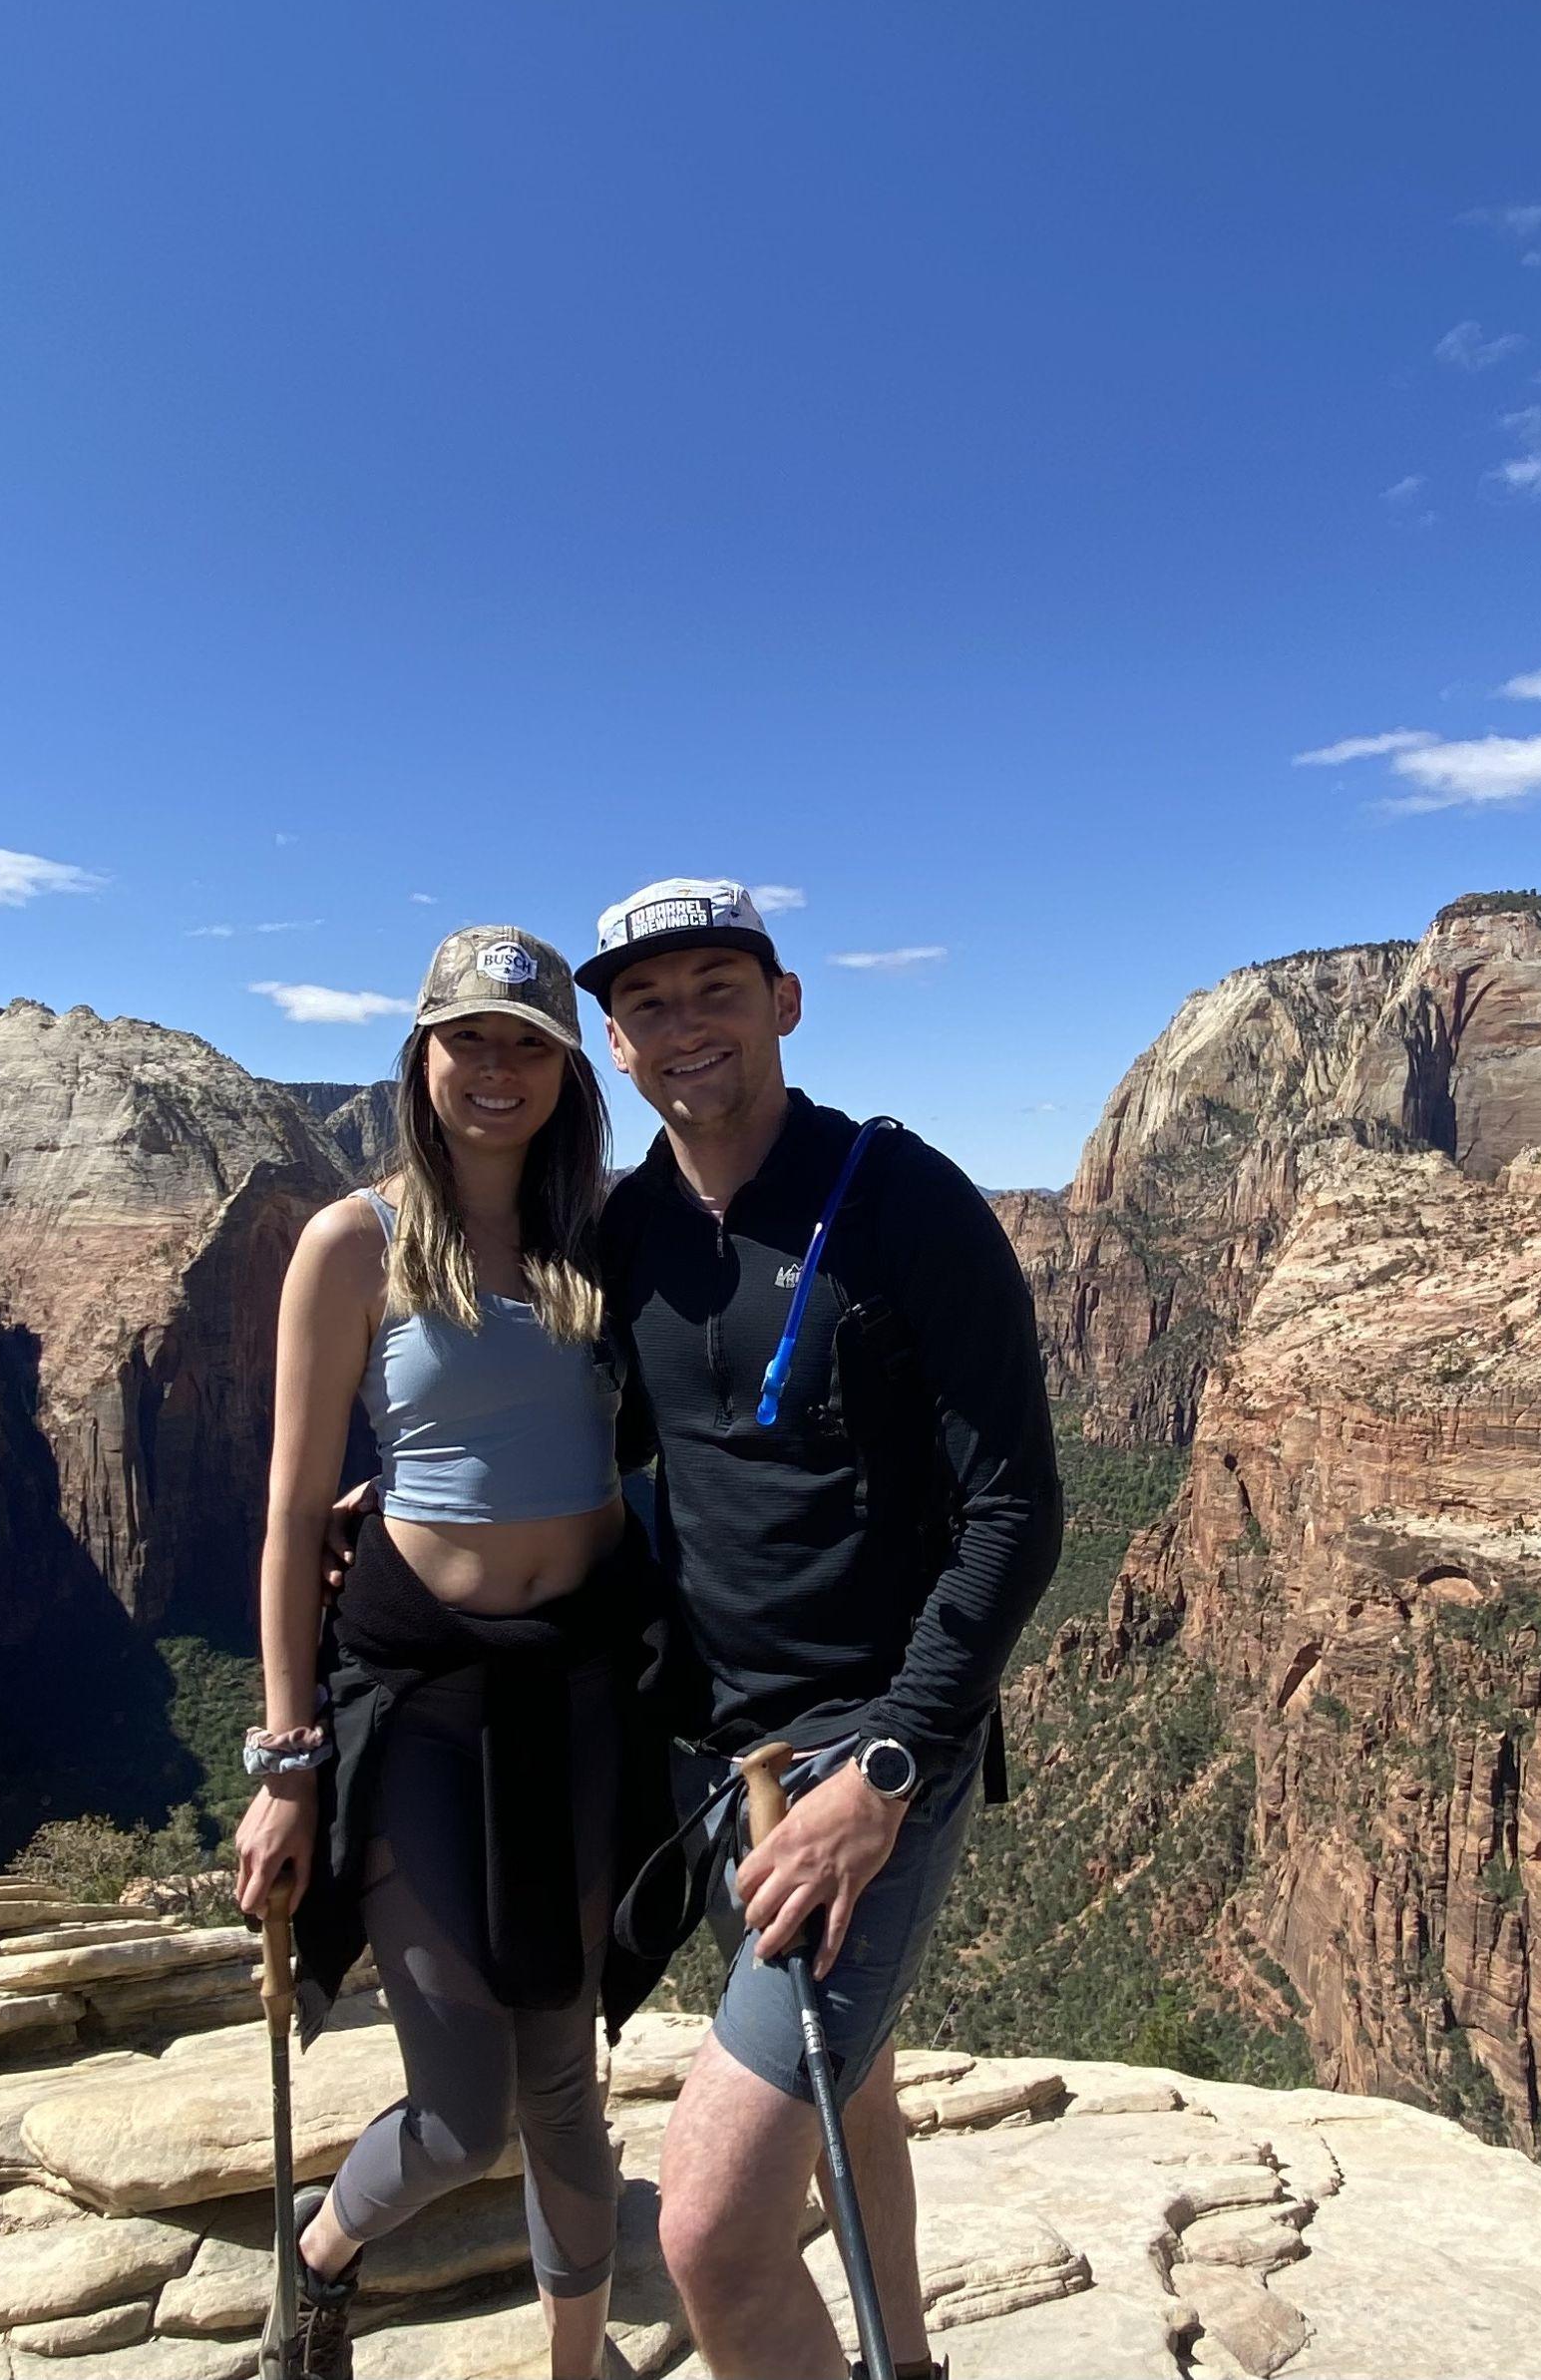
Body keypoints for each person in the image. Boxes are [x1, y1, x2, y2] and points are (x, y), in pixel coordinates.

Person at [580, 880, 1062, 2380]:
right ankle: (903, 2361)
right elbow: (585, 1460)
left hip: (869, 1752)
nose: (685, 1028)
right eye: (649, 1004)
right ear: (612, 1041)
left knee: (713, 2228)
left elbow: (1016, 1510)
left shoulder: (902, 1197)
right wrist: (377, 1507)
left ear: (785, 1003)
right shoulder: (628, 1231)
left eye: (717, 987)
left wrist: (891, 1770)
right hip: (723, 1757)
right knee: (845, 2095)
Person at [231, 927, 673, 2380]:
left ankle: (572, 2361)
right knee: (460, 2105)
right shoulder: (349, 1240)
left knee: (564, 2075)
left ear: (566, 1068)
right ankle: (316, 2262)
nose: (497, 1068)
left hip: (586, 1686)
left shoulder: (607, 1232)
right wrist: (287, 1764)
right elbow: (295, 1517)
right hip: (420, 1697)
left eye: (527, 1042)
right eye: (468, 1037)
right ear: (420, 1058)